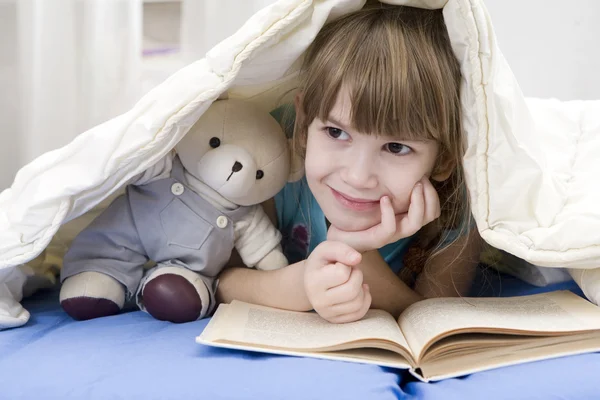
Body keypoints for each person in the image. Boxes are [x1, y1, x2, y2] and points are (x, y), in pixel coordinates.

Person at [216, 2, 482, 323]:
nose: (357, 177)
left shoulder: (461, 206)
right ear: (303, 125)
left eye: (396, 147)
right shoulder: (273, 159)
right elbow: (222, 280)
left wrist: (357, 251)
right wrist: (306, 284)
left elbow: (431, 320)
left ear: (444, 159)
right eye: (335, 132)